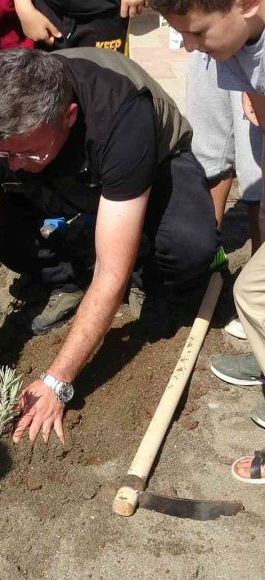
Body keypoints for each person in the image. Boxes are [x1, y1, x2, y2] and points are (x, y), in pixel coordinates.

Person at [0, 47, 218, 446]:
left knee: (189, 247)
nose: (12, 163)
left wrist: (57, 379)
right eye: (4, 153)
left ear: (69, 116)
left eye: (24, 151)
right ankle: (68, 277)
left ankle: (149, 275)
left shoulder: (120, 113)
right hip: (65, 172)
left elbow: (114, 269)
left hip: (152, 165)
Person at [152, 0, 265, 480]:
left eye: (198, 34)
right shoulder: (236, 44)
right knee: (255, 293)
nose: (190, 46)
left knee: (255, 293)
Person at [185, 50, 262, 350]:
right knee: (208, 152)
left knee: (255, 167)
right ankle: (207, 263)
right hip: (209, 35)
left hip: (249, 41)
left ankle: (259, 299)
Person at [14, 0, 144, 54]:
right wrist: (23, 6)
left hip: (105, 14)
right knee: (49, 97)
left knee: (106, 90)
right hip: (48, 14)